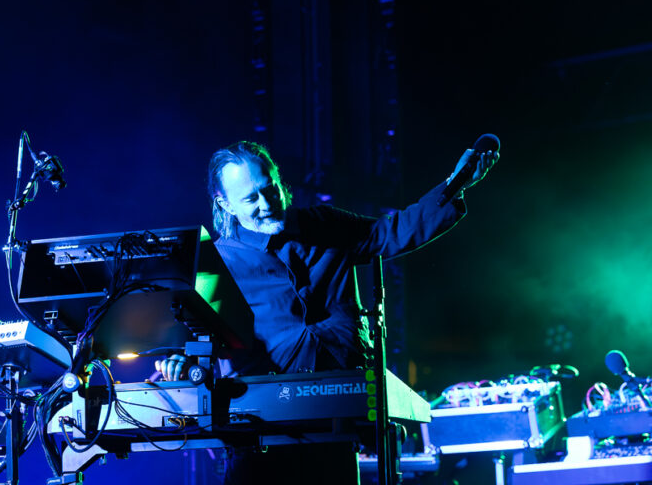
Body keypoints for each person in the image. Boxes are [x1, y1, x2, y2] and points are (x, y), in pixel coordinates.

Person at [156, 140, 499, 483]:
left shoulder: (325, 223)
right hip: (260, 432)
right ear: (225, 204)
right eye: (251, 199)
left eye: (270, 189)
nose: (267, 204)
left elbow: (391, 232)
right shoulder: (218, 262)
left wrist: (454, 185)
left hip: (336, 419)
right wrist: (180, 361)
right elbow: (194, 333)